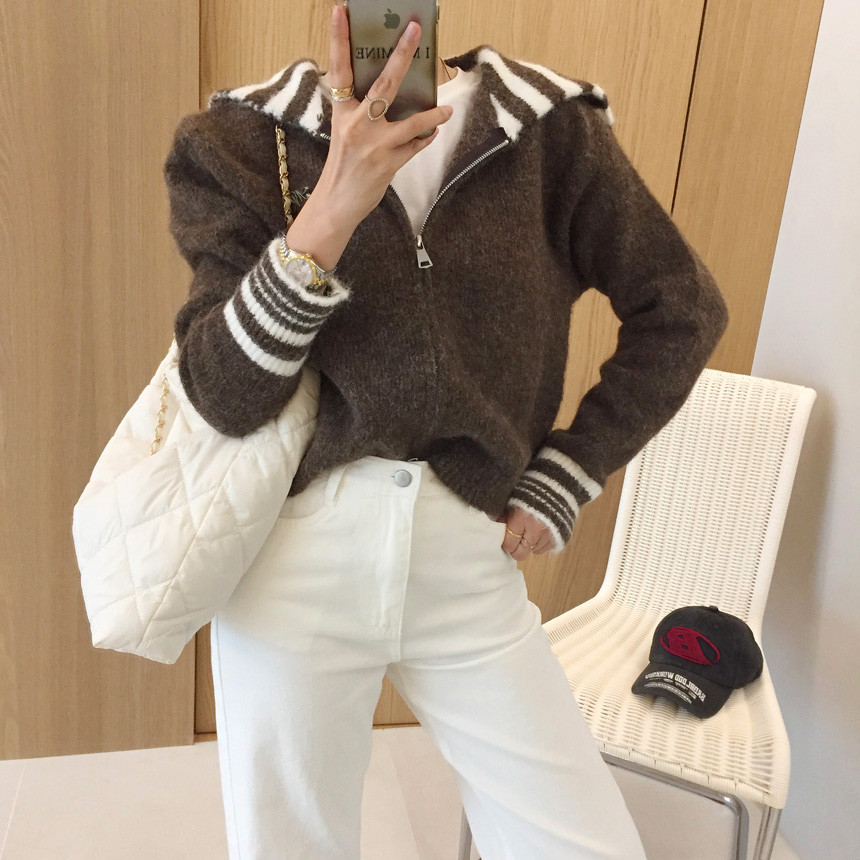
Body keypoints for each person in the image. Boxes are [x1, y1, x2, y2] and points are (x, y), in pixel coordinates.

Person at [163, 3, 727, 858]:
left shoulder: (549, 130)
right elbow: (222, 395)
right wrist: (331, 210)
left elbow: (683, 309)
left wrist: (568, 472)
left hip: (467, 553)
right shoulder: (238, 140)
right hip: (293, 561)